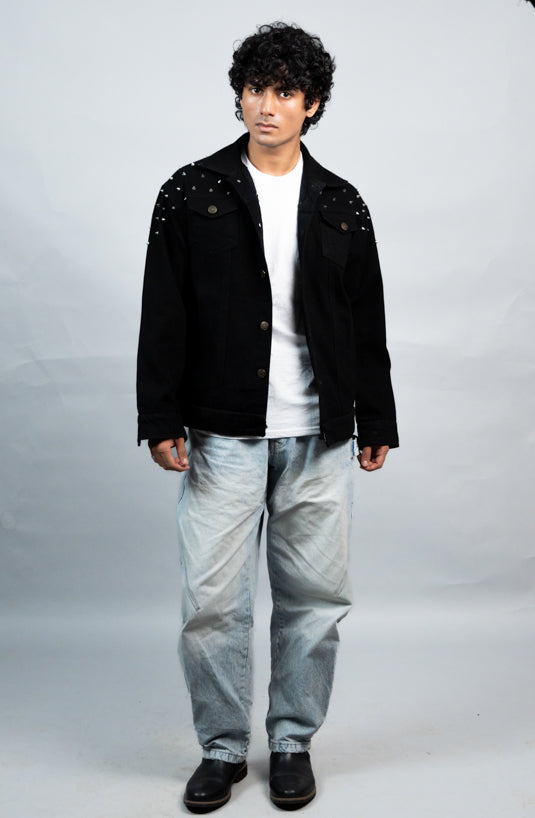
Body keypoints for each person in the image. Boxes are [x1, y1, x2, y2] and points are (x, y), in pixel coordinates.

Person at [137, 21, 398, 813]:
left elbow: (365, 319)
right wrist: (159, 415)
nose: (266, 105)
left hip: (319, 434)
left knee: (313, 601)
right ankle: (221, 750)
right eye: (255, 88)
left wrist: (376, 419)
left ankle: (290, 743)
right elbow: (163, 310)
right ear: (239, 95)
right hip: (222, 433)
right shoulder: (190, 192)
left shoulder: (341, 202)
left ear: (311, 103)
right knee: (211, 603)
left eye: (285, 91)